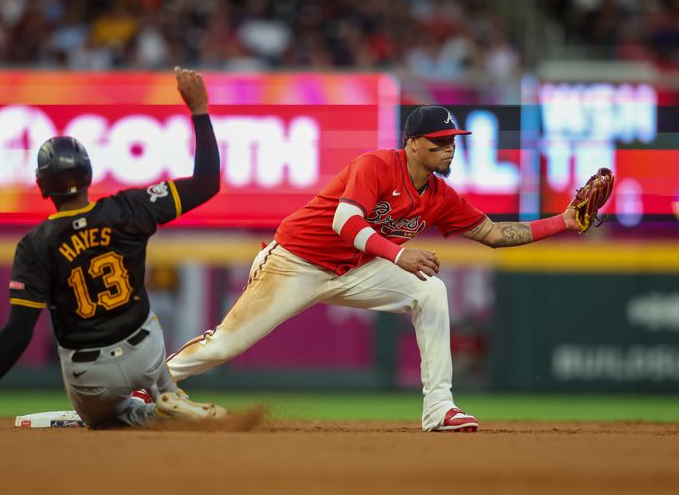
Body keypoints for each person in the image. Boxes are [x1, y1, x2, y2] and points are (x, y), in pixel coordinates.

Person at [166, 105, 587, 433]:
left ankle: (440, 409)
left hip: (357, 267)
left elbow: (494, 234)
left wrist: (563, 221)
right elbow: (344, 222)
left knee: (431, 292)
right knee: (225, 347)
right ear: (413, 144)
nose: (449, 148)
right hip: (296, 261)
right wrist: (399, 254)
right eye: (440, 142)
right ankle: (148, 384)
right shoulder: (376, 166)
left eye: (453, 141)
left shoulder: (441, 195)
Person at [0, 68, 225, 429]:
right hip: (145, 348)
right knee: (156, 366)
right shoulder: (127, 207)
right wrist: (199, 108)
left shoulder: (35, 244)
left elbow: (17, 332)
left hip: (91, 374)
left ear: (42, 186)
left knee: (110, 420)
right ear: (88, 174)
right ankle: (169, 395)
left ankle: (149, 412)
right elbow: (207, 182)